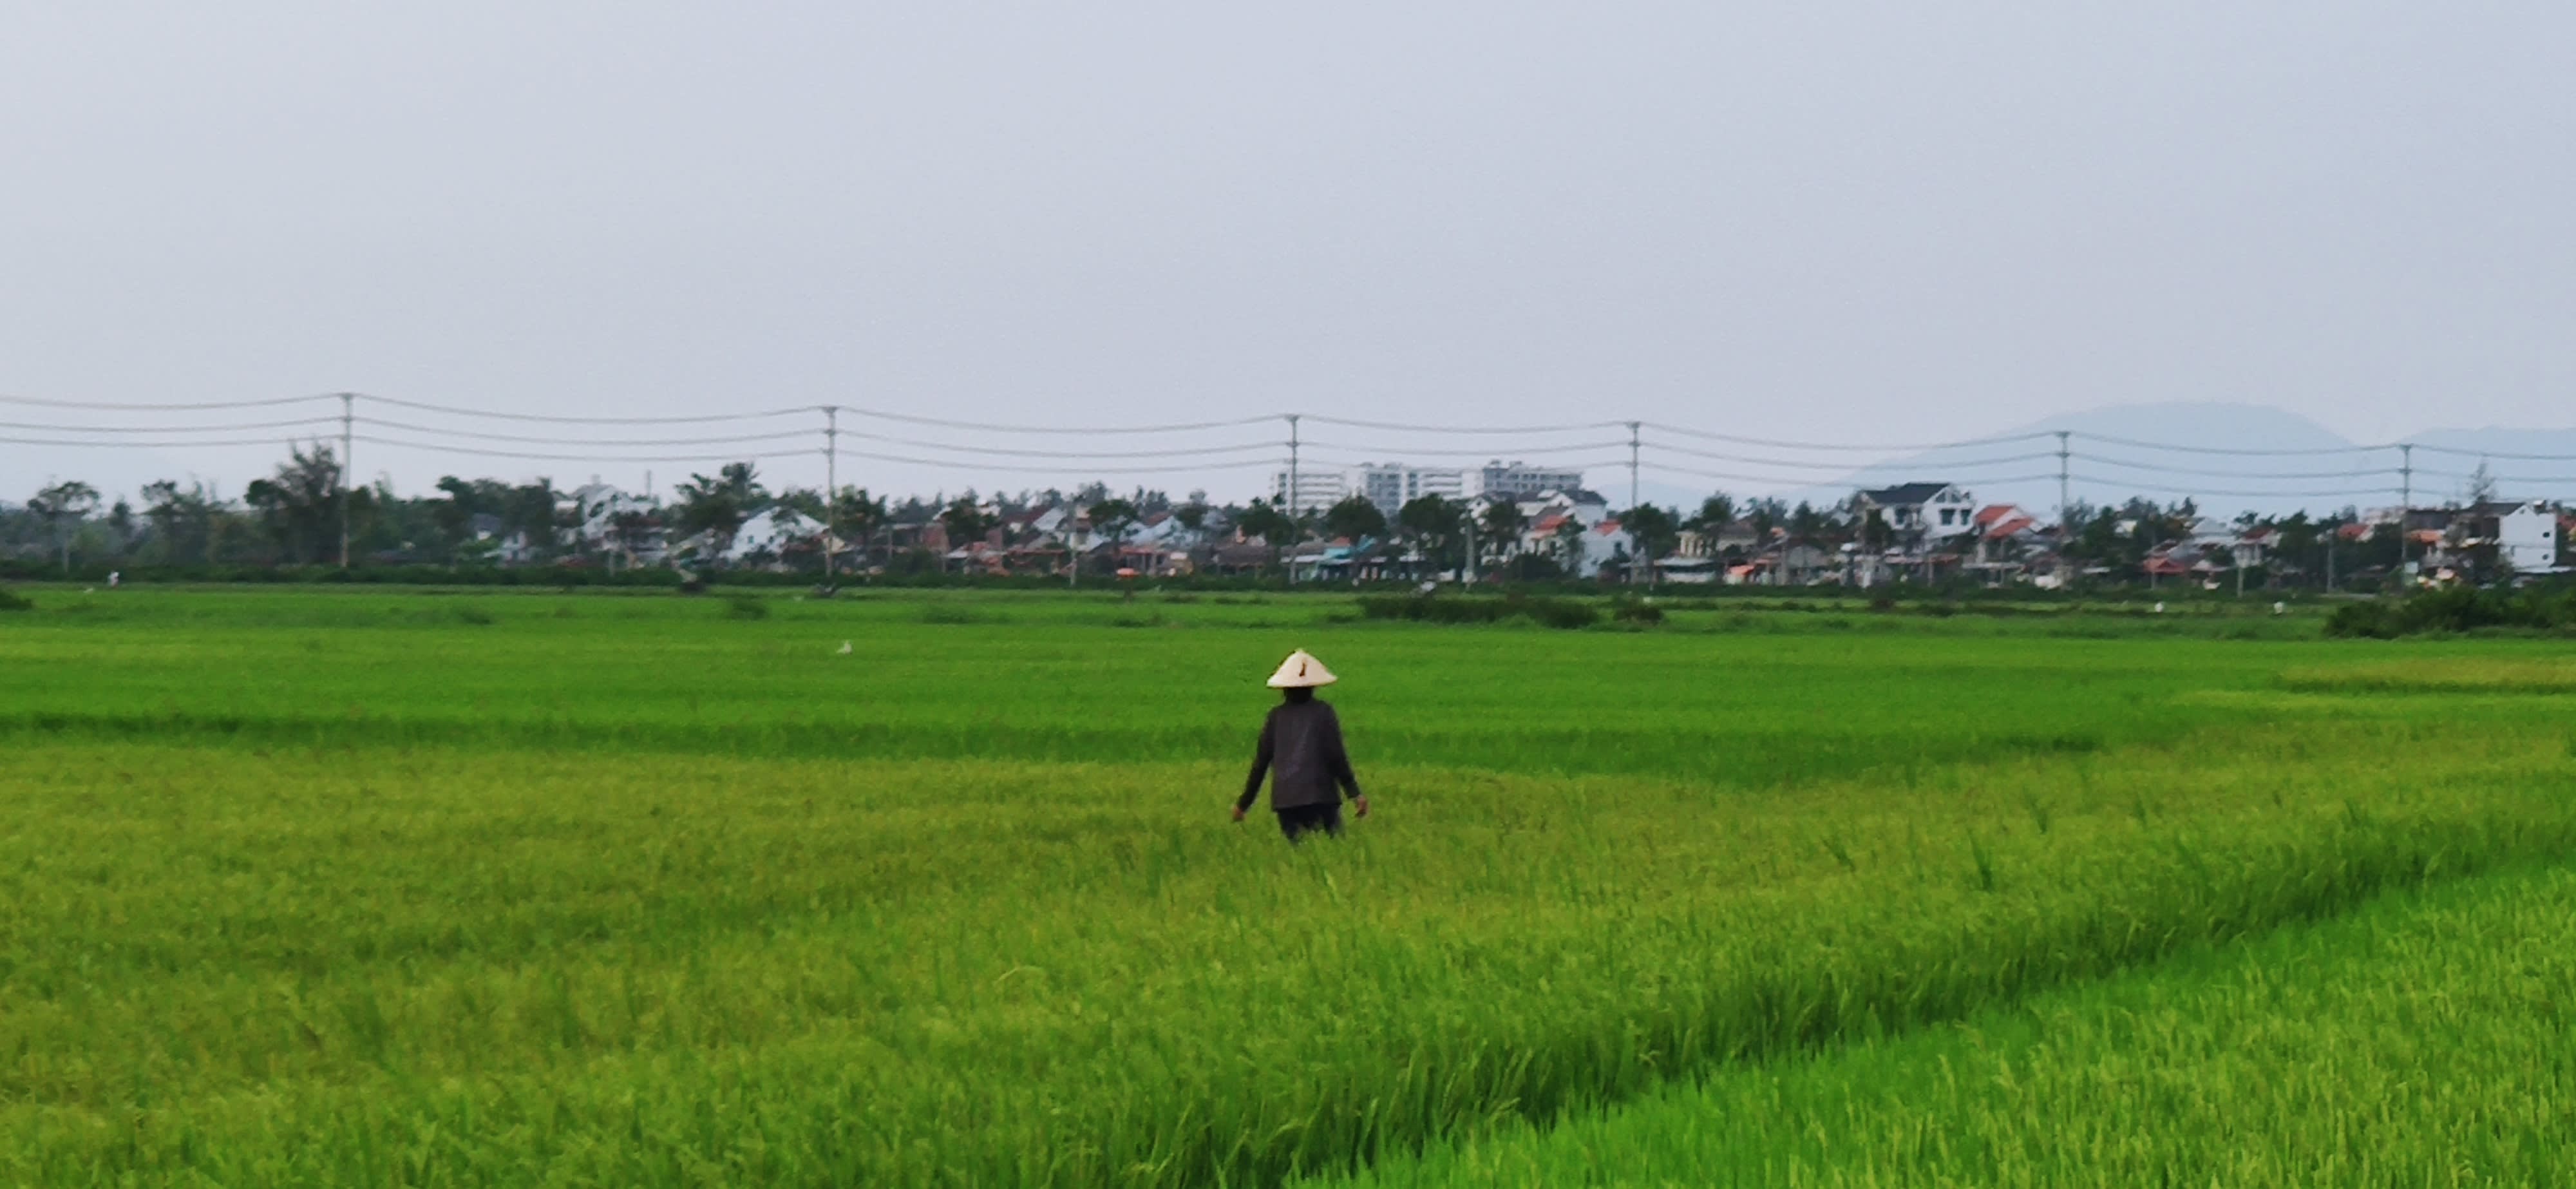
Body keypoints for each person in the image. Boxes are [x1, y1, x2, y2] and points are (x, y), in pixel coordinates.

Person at [1234, 649, 1368, 841]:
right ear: (1313, 686)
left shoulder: (1276, 717)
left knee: (1296, 854)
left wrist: (1243, 805)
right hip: (1321, 796)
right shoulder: (1324, 713)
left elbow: (1260, 764)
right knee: (1335, 849)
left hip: (1286, 800)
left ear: (1284, 689)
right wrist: (1355, 794)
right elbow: (1336, 756)